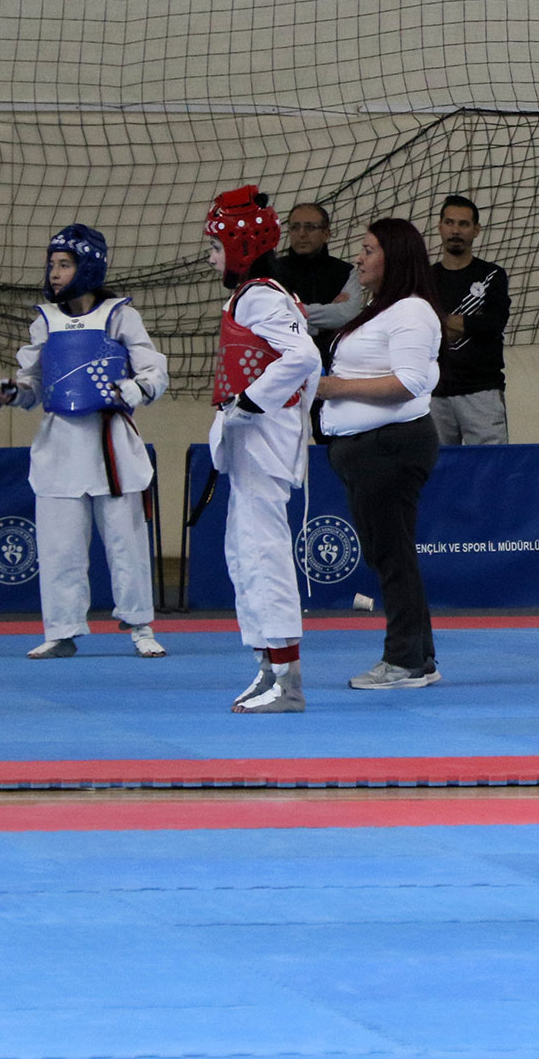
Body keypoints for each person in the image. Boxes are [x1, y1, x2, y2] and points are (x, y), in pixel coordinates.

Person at [0, 225, 169, 659]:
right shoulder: (45, 322)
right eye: (52, 264)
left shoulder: (120, 315)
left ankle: (140, 625)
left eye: (64, 264)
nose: (54, 273)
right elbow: (33, 382)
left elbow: (154, 369)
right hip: (60, 445)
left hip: (111, 445)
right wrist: (15, 392)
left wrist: (138, 389)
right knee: (60, 545)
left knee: (126, 542)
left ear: (87, 267)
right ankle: (62, 628)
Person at [204, 187, 324, 713]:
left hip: (264, 440)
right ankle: (268, 665)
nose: (209, 255)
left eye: (214, 245)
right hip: (251, 441)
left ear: (241, 245)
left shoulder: (261, 296)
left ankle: (287, 677)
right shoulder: (248, 296)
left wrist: (250, 404)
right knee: (243, 555)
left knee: (263, 555)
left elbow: (303, 356)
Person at [316, 219, 445, 689]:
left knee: (392, 556)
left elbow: (409, 383)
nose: (359, 258)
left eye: (368, 250)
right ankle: (420, 657)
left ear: (393, 257)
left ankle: (405, 660)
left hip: (391, 447)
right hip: (370, 450)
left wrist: (332, 387)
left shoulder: (411, 311)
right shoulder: (381, 310)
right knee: (390, 554)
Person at [429, 194, 511, 445]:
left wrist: (441, 320)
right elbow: (420, 329)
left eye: (463, 224)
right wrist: (467, 324)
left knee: (490, 470)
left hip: (482, 391)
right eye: (450, 223)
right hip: (434, 392)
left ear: (476, 230)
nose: (456, 230)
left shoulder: (492, 275)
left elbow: (493, 324)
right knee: (435, 473)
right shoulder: (426, 279)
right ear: (440, 227)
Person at [275, 202, 361, 364]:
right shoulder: (273, 273)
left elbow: (346, 315)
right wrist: (322, 325)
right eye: (295, 227)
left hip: (334, 362)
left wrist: (294, 312)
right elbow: (272, 317)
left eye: (309, 227)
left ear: (326, 233)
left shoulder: (345, 272)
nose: (301, 234)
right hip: (283, 362)